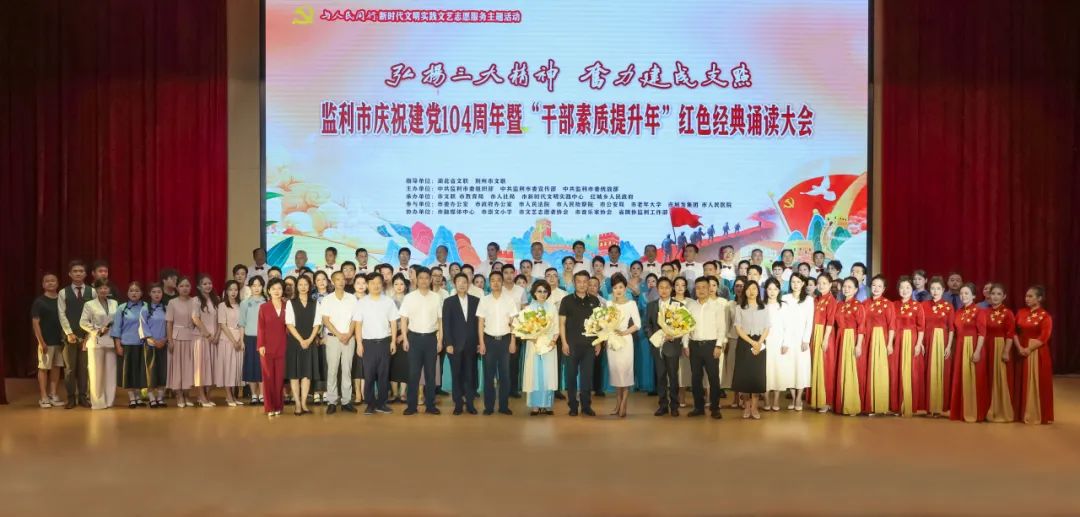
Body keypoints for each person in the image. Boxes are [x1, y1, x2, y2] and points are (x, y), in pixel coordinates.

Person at [399, 267, 443, 415]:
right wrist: (405, 339)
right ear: (416, 280)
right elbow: (403, 319)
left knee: (431, 374)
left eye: (426, 278)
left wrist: (440, 340)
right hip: (414, 339)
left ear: (430, 280)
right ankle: (411, 406)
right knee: (413, 374)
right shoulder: (409, 297)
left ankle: (430, 405)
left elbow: (440, 321)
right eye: (421, 278)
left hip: (431, 339)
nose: (424, 280)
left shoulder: (436, 297)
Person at [353, 273, 399, 415]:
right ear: (367, 285)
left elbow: (393, 322)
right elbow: (358, 324)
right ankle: (370, 404)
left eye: (378, 282)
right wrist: (359, 343)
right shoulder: (361, 302)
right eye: (372, 283)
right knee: (369, 375)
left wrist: (393, 341)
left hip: (384, 342)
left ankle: (382, 403)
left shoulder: (388, 301)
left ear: (382, 284)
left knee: (384, 375)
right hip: (368, 344)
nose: (376, 285)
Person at [559, 270, 602, 416]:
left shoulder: (595, 301)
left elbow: (598, 323)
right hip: (571, 345)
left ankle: (586, 406)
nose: (582, 284)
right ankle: (572, 406)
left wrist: (598, 342)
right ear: (574, 283)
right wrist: (564, 343)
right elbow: (561, 323)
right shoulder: (566, 300)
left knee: (587, 377)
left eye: (585, 282)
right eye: (579, 281)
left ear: (588, 283)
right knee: (570, 377)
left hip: (589, 345)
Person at [477, 271, 518, 415]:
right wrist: (481, 343)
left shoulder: (509, 300)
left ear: (502, 282)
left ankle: (504, 406)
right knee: (489, 375)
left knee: (505, 375)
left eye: (498, 280)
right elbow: (480, 323)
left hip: (505, 340)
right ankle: (488, 407)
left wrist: (513, 341)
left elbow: (514, 322)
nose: (495, 283)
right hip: (489, 340)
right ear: (489, 283)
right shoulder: (484, 300)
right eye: (492, 280)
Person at [684, 276, 725, 419]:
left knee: (713, 378)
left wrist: (718, 345)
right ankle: (698, 407)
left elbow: (721, 328)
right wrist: (685, 345)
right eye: (698, 288)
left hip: (711, 345)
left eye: (703, 287)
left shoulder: (717, 306)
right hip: (694, 345)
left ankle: (715, 408)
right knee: (696, 378)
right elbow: (686, 327)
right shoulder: (690, 306)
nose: (700, 290)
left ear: (709, 289)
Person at [949, 283, 989, 423]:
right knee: (961, 378)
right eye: (961, 293)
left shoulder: (979, 311)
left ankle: (975, 412)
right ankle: (961, 411)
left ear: (973, 296)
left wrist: (977, 351)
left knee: (975, 379)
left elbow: (982, 333)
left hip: (974, 346)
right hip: (960, 348)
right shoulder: (958, 312)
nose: (963, 296)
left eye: (966, 293)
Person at [319, 271, 358, 414]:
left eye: (343, 279)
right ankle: (332, 401)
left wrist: (349, 334)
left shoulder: (352, 298)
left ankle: (346, 401)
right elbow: (325, 320)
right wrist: (339, 334)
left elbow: (355, 318)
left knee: (347, 370)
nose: (341, 282)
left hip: (349, 338)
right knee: (332, 370)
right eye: (337, 279)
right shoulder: (327, 299)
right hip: (333, 338)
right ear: (332, 281)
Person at [1015, 285, 1053, 424]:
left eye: (1030, 296)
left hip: (1037, 353)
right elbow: (1014, 331)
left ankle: (1034, 413)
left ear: (1040, 298)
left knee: (1035, 383)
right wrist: (1019, 347)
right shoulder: (1021, 312)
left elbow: (1044, 337)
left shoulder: (1045, 316)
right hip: (1020, 350)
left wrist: (1028, 349)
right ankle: (1020, 413)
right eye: (1026, 296)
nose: (1027, 298)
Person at [732, 281, 770, 420]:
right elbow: (738, 328)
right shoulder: (739, 308)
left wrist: (759, 343)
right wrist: (752, 342)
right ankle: (747, 406)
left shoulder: (764, 307)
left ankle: (755, 407)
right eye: (748, 289)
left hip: (760, 342)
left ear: (758, 291)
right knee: (745, 376)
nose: (751, 291)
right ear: (745, 291)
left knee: (756, 376)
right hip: (745, 342)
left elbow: (767, 327)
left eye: (754, 288)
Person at [521, 280, 560, 416]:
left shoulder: (552, 308)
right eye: (539, 291)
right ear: (534, 293)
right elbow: (523, 329)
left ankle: (547, 404)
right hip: (533, 344)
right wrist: (532, 338)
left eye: (545, 291)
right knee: (534, 374)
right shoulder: (528, 309)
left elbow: (556, 327)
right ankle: (535, 406)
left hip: (549, 345)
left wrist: (553, 341)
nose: (542, 294)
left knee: (548, 374)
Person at [58, 260, 93, 408]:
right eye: (75, 271)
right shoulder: (63, 292)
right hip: (69, 336)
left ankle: (83, 397)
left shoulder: (92, 292)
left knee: (84, 368)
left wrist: (89, 334)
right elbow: (61, 314)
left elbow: (94, 314)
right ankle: (71, 398)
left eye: (81, 271)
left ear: (85, 274)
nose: (78, 273)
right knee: (70, 369)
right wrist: (69, 333)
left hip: (87, 336)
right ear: (70, 274)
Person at [645, 277, 682, 416]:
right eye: (661, 287)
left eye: (667, 287)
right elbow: (647, 325)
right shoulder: (651, 305)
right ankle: (663, 405)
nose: (664, 290)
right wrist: (654, 338)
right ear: (657, 289)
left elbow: (683, 326)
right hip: (657, 346)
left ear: (671, 289)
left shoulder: (678, 305)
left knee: (673, 377)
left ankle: (674, 406)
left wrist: (674, 335)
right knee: (660, 376)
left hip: (672, 345)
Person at [444, 273, 480, 415]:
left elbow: (478, 324)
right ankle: (458, 404)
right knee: (457, 375)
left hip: (471, 344)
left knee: (470, 375)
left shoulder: (476, 301)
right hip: (454, 345)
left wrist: (479, 343)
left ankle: (470, 403)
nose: (462, 284)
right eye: (459, 281)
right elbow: (446, 324)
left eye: (464, 282)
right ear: (454, 284)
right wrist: (448, 343)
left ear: (468, 284)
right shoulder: (449, 302)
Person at [605, 274, 640, 418]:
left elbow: (638, 324)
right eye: (615, 288)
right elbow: (605, 323)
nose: (618, 290)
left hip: (625, 341)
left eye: (620, 287)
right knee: (615, 372)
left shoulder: (631, 304)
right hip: (612, 341)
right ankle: (618, 403)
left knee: (625, 372)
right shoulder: (609, 304)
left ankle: (624, 403)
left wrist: (624, 332)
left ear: (625, 288)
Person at [80, 279, 118, 410]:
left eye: (106, 288)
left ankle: (109, 400)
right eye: (100, 288)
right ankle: (98, 402)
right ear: (96, 290)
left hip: (111, 341)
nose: (103, 290)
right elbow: (83, 322)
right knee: (96, 372)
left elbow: (117, 321)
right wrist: (97, 330)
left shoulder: (114, 303)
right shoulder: (89, 304)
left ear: (109, 290)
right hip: (96, 341)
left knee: (111, 372)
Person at [285, 275, 320, 416]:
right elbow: (289, 324)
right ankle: (297, 404)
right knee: (294, 374)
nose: (303, 287)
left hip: (310, 342)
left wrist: (309, 340)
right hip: (295, 342)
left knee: (307, 374)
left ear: (310, 286)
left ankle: (304, 403)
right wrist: (301, 340)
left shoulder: (315, 303)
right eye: (300, 284)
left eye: (306, 284)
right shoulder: (291, 303)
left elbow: (317, 324)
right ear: (296, 286)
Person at [982, 283, 1017, 423]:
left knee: (1000, 377)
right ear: (989, 296)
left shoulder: (1008, 313)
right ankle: (987, 409)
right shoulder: (985, 312)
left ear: (1004, 296)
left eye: (998, 294)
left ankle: (1001, 410)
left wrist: (1006, 351)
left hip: (1000, 346)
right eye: (993, 294)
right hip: (986, 347)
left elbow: (1010, 334)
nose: (995, 297)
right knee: (988, 377)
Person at [893, 277, 926, 417]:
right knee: (897, 370)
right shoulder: (893, 305)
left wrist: (918, 344)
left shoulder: (917, 306)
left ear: (912, 289)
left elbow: (921, 327)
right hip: (897, 341)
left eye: (907, 287)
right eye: (902, 287)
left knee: (911, 371)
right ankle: (896, 405)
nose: (904, 290)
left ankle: (909, 404)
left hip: (911, 339)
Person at [862, 275, 895, 416]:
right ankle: (869, 404)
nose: (876, 288)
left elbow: (892, 325)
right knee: (868, 370)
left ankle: (881, 405)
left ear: (884, 289)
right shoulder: (865, 303)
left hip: (881, 338)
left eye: (879, 286)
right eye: (874, 285)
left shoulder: (888, 304)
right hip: (867, 339)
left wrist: (890, 343)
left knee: (881, 370)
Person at [166, 277, 201, 408]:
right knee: (177, 367)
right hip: (177, 338)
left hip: (191, 337)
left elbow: (197, 319)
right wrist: (170, 340)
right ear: (177, 288)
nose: (185, 288)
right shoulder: (172, 302)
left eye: (187, 286)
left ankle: (187, 394)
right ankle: (179, 395)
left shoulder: (195, 301)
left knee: (189, 367)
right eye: (181, 286)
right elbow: (169, 323)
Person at [111, 282, 148, 408]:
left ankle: (139, 397)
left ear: (141, 293)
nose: (134, 293)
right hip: (127, 344)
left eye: (137, 291)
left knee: (140, 372)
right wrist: (118, 345)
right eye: (131, 291)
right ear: (127, 293)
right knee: (128, 373)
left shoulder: (146, 306)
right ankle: (132, 398)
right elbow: (116, 328)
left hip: (143, 344)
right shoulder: (122, 308)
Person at [922, 277, 954, 417]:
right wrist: (921, 343)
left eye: (938, 289)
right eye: (933, 288)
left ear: (943, 290)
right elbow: (921, 326)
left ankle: (939, 406)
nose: (935, 291)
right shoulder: (923, 305)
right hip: (927, 340)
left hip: (942, 341)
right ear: (929, 290)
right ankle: (928, 406)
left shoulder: (948, 306)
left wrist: (949, 346)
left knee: (941, 372)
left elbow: (951, 328)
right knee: (928, 372)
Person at [834, 277, 867, 416]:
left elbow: (862, 326)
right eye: (845, 286)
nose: (846, 289)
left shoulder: (858, 305)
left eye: (850, 287)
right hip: (840, 339)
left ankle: (852, 405)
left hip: (852, 338)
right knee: (841, 370)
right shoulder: (839, 304)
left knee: (852, 370)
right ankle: (840, 403)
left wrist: (858, 345)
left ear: (856, 290)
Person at [782, 273, 814, 411]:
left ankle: (799, 398)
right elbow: (783, 321)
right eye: (793, 282)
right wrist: (784, 341)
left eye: (798, 282)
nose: (795, 284)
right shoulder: (785, 298)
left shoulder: (808, 300)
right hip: (787, 338)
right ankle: (793, 397)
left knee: (801, 368)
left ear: (803, 284)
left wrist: (806, 340)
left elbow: (809, 321)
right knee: (789, 368)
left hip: (801, 339)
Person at [32, 273, 65, 408]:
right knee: (44, 368)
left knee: (56, 367)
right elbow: (35, 323)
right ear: (43, 284)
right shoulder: (39, 302)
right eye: (47, 281)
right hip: (46, 341)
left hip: (60, 341)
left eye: (53, 280)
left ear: (57, 283)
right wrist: (41, 342)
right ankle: (44, 396)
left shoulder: (62, 300)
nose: (50, 283)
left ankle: (53, 394)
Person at [257, 278, 289, 417]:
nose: (277, 291)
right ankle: (269, 407)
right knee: (268, 377)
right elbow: (261, 327)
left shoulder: (287, 306)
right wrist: (260, 345)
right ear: (269, 291)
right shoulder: (264, 307)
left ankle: (278, 406)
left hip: (282, 345)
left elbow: (289, 327)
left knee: (279, 378)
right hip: (266, 347)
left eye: (279, 288)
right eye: (274, 288)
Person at [808, 274, 838, 413]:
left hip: (825, 334)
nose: (821, 285)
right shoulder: (816, 299)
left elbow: (830, 321)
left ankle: (826, 401)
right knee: (815, 366)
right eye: (819, 283)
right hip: (815, 334)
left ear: (830, 284)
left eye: (824, 283)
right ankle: (816, 399)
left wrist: (825, 339)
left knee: (825, 367)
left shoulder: (831, 300)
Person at [215, 280, 245, 407]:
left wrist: (241, 340)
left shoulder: (241, 305)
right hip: (227, 339)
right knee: (228, 367)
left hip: (239, 338)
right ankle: (228, 395)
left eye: (236, 290)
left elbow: (243, 324)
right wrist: (233, 341)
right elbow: (222, 325)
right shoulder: (222, 305)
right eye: (230, 289)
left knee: (236, 368)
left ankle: (233, 395)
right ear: (226, 291)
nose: (233, 292)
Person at [191, 274, 219, 406]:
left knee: (212, 368)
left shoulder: (216, 299)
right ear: (199, 286)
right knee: (200, 368)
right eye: (205, 284)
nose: (208, 286)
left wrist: (216, 335)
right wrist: (207, 334)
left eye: (210, 283)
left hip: (214, 339)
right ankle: (202, 397)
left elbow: (219, 320)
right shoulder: (196, 300)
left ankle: (206, 396)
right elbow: (195, 318)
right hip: (201, 338)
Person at [140, 284, 169, 408]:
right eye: (154, 292)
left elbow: (169, 325)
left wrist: (165, 339)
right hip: (151, 345)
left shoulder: (166, 308)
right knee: (151, 372)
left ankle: (160, 398)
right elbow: (143, 327)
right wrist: (153, 340)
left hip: (164, 344)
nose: (157, 294)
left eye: (159, 292)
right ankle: (151, 398)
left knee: (163, 371)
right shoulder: (145, 309)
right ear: (149, 294)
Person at [239, 277, 266, 406]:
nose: (256, 288)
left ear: (263, 287)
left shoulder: (266, 302)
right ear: (250, 287)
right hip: (249, 338)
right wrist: (242, 340)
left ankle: (262, 394)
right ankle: (254, 395)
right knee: (250, 366)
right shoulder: (244, 303)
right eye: (254, 285)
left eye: (259, 285)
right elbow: (242, 323)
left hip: (263, 339)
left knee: (262, 367)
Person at [762, 278, 787, 412]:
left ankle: (776, 400)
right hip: (764, 342)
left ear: (779, 290)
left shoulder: (783, 306)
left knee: (778, 371)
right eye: (770, 289)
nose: (772, 292)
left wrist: (785, 343)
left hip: (778, 342)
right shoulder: (761, 305)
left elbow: (787, 326)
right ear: (765, 290)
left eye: (775, 289)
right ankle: (766, 400)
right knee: (765, 372)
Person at [720, 277, 745, 407]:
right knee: (733, 368)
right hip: (733, 339)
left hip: (747, 341)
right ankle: (735, 398)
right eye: (737, 286)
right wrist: (725, 341)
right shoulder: (729, 304)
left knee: (744, 369)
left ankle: (744, 398)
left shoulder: (751, 304)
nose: (739, 288)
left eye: (742, 286)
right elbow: (726, 324)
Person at [388, 273, 411, 403]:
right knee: (392, 364)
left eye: (401, 284)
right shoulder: (388, 300)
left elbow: (412, 319)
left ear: (405, 286)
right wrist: (393, 336)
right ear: (392, 286)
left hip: (406, 335)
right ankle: (394, 393)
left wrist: (403, 334)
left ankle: (403, 393)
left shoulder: (410, 299)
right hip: (391, 334)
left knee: (404, 364)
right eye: (396, 284)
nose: (399, 286)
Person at [350, 275, 369, 404]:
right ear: (354, 285)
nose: (361, 285)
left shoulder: (371, 299)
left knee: (366, 366)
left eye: (363, 283)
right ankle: (357, 393)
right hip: (351, 336)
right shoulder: (349, 299)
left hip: (367, 336)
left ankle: (365, 392)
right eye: (358, 283)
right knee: (356, 366)